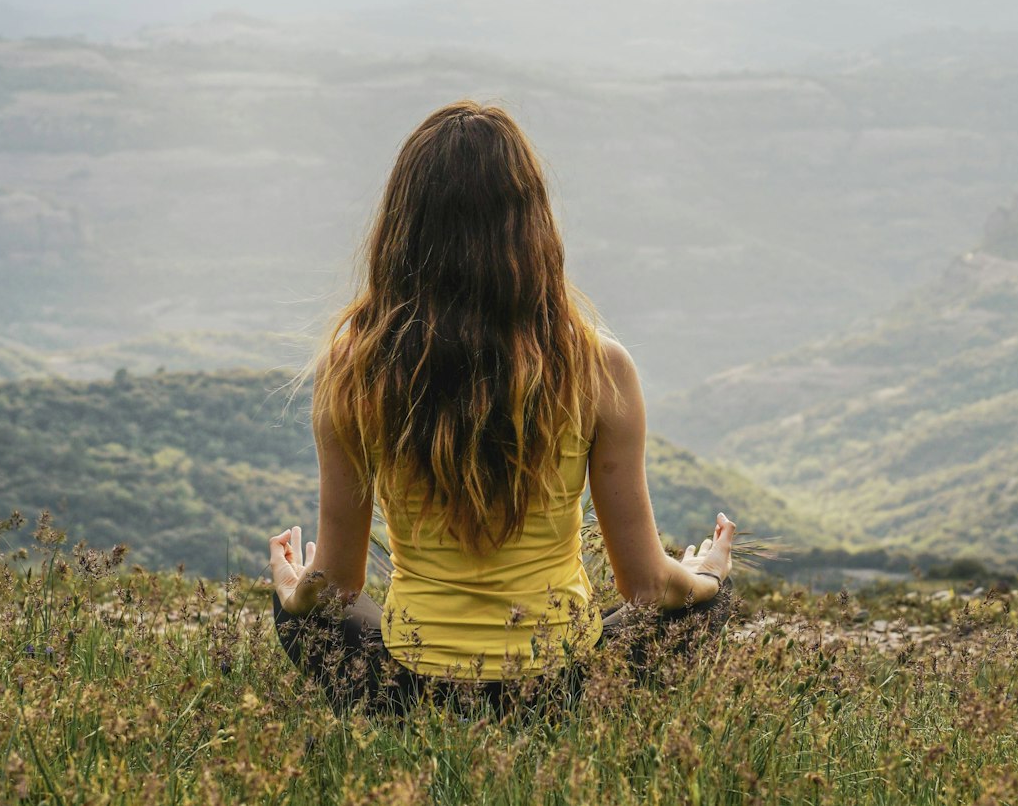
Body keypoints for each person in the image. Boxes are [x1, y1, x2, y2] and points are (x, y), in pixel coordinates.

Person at [266, 100, 737, 713]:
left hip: (407, 693)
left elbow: (339, 588)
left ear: (402, 229)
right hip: (562, 693)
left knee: (301, 608)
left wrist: (296, 594)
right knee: (706, 601)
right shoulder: (599, 368)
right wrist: (704, 579)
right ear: (532, 226)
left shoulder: (353, 368)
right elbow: (647, 587)